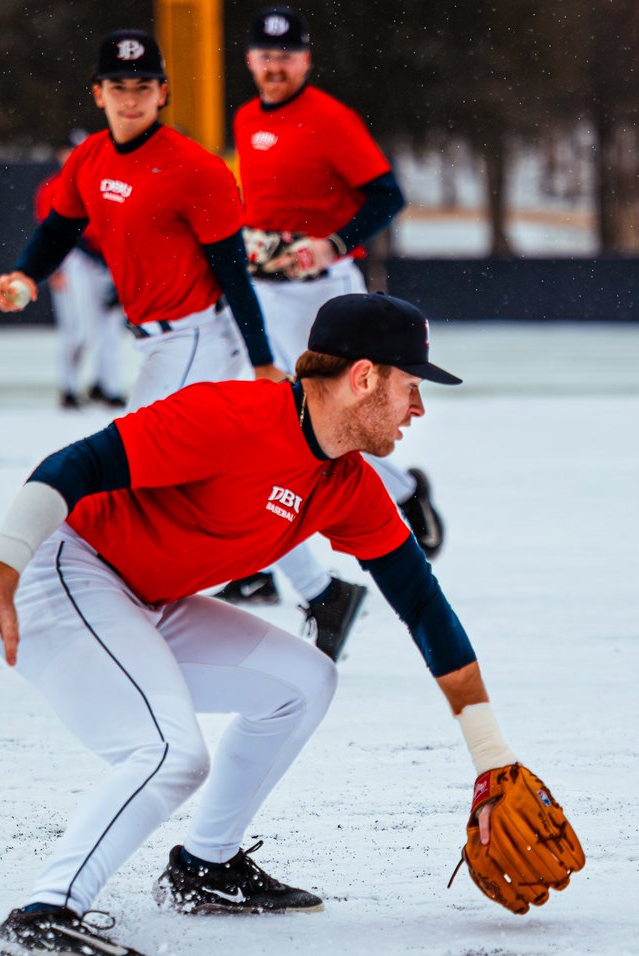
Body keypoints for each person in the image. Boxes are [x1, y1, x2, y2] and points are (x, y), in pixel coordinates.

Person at [0, 293, 547, 956]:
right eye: (410, 386)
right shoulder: (230, 416)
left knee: (304, 682)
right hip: (68, 571)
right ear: (364, 378)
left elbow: (423, 605)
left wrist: (490, 754)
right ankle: (43, 916)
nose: (418, 408)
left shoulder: (347, 484)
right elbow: (73, 464)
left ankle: (204, 868)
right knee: (168, 752)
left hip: (145, 597)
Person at [215, 6, 445, 625]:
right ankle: (259, 559)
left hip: (323, 288)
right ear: (249, 60)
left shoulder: (329, 118)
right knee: (262, 410)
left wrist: (331, 242)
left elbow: (387, 194)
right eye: (264, 55)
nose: (274, 66)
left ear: (306, 60)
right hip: (266, 287)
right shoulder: (244, 117)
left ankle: (400, 491)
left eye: (286, 56)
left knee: (330, 411)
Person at [0, 29, 285, 413]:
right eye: (118, 86)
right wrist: (26, 273)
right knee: (185, 465)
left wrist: (261, 361)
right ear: (98, 93)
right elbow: (59, 229)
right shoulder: (88, 158)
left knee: (136, 458)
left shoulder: (198, 170)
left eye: (143, 86)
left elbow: (232, 272)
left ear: (162, 93)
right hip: (153, 342)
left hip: (198, 338)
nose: (130, 99)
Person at [34, 138, 128, 410]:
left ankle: (106, 386)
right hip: (74, 260)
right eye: (71, 151)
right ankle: (69, 387)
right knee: (80, 331)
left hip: (108, 261)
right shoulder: (53, 187)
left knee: (110, 329)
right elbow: (49, 234)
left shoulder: (106, 184)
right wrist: (53, 269)